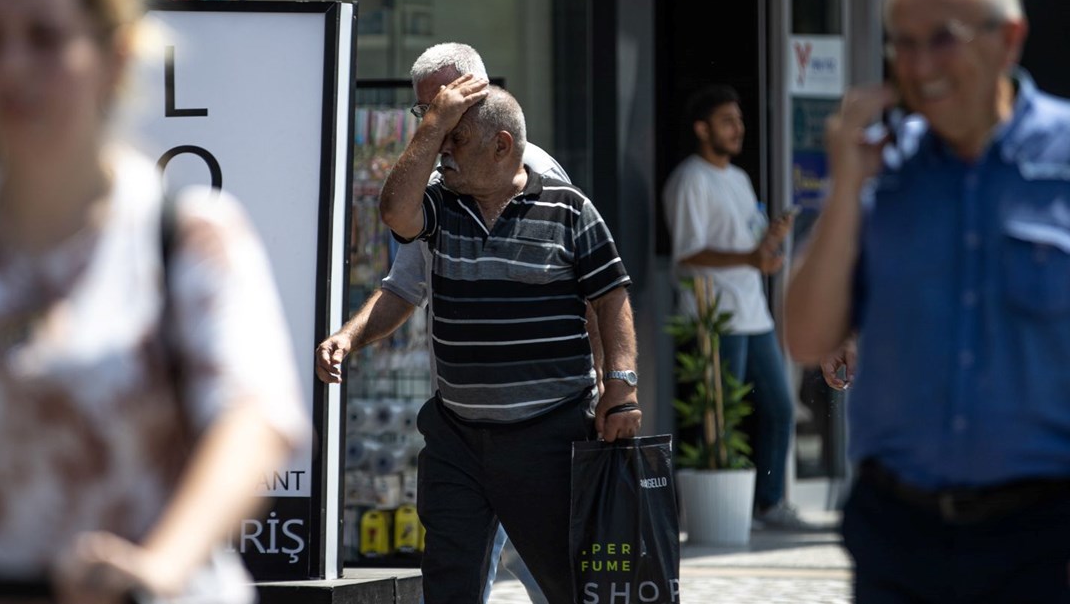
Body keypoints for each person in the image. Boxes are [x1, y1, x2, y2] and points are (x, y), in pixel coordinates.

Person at [0, 0, 307, 603]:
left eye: (45, 38)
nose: (12, 65)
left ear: (114, 55)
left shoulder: (189, 236)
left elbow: (252, 422)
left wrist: (161, 563)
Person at [786, 0, 1070, 602]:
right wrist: (846, 180)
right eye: (902, 43)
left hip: (1045, 538)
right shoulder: (881, 171)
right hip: (899, 538)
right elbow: (805, 338)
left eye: (942, 39)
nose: (919, 65)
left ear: (1010, 39)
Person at [316, 43, 572, 604]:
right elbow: (405, 283)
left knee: (558, 578)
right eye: (427, 113)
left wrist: (613, 389)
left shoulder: (536, 175)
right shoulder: (435, 190)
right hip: (461, 425)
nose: (438, 128)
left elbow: (600, 290)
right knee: (456, 574)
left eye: (448, 110)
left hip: (537, 423)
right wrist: (348, 336)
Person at [379, 82, 640, 603]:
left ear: (501, 145)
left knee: (571, 583)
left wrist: (622, 387)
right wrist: (432, 125)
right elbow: (394, 213)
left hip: (550, 436)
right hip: (456, 437)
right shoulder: (441, 205)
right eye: (443, 140)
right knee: (449, 583)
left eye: (457, 140)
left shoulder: (569, 209)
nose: (446, 153)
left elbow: (611, 299)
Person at [661, 85, 811, 530]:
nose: (738, 128)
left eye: (739, 120)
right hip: (714, 316)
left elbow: (752, 245)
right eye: (727, 120)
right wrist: (751, 258)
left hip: (754, 313)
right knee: (719, 415)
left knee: (780, 408)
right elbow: (687, 256)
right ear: (702, 129)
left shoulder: (740, 179)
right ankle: (718, 515)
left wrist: (771, 245)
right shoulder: (690, 179)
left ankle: (767, 503)